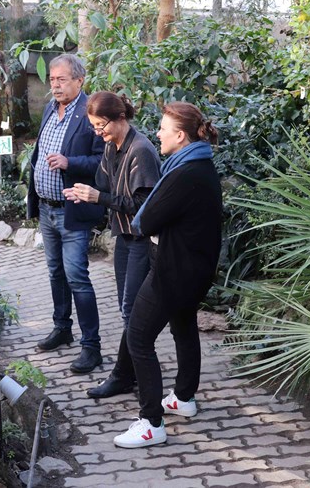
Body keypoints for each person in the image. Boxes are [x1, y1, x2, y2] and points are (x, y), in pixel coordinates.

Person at [112, 101, 222, 449]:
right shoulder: (199, 165)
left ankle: (150, 423)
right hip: (194, 270)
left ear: (179, 135)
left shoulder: (184, 173)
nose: (157, 133)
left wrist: (146, 218)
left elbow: (146, 221)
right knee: (184, 326)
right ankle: (184, 399)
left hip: (173, 272)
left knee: (139, 338)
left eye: (162, 128)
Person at [62, 92, 160, 398]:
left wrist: (98, 197)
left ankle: (129, 376)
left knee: (133, 312)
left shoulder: (141, 150)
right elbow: (104, 186)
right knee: (127, 310)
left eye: (101, 125)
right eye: (93, 126)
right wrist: (84, 192)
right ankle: (127, 374)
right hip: (123, 237)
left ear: (120, 118)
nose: (98, 131)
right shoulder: (111, 147)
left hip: (142, 240)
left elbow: (144, 205)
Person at [27, 54, 105, 374]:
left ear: (79, 81)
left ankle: (92, 346)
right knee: (55, 273)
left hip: (72, 211)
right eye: (53, 80)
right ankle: (62, 328)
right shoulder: (49, 108)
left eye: (62, 80)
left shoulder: (91, 114)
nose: (55, 85)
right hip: (47, 208)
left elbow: (103, 162)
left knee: (77, 277)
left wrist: (70, 162)